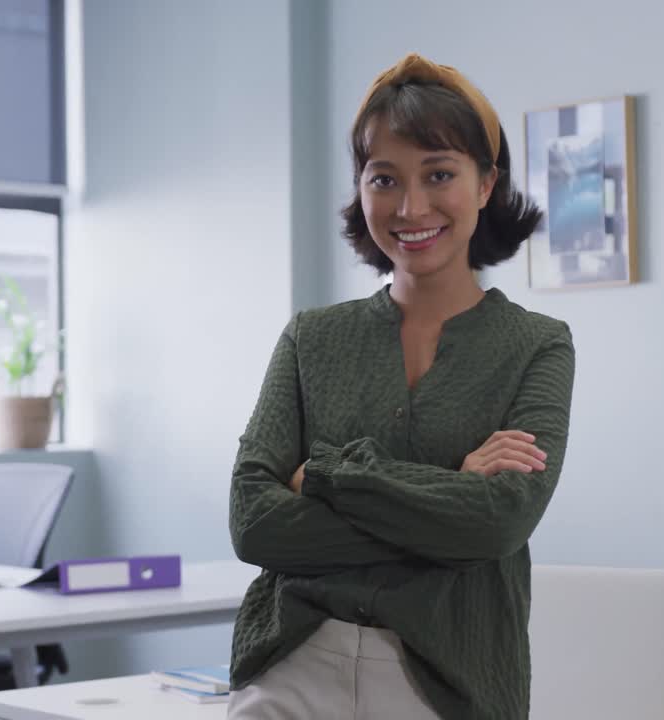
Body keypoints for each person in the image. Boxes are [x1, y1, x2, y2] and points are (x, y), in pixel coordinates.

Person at [226, 52, 575, 720]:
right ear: (361, 188)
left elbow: (496, 522)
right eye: (384, 179)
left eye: (438, 174)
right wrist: (451, 489)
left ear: (483, 184)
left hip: (449, 683)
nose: (410, 207)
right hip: (292, 664)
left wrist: (325, 474)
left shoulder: (538, 344)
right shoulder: (311, 338)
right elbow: (253, 524)